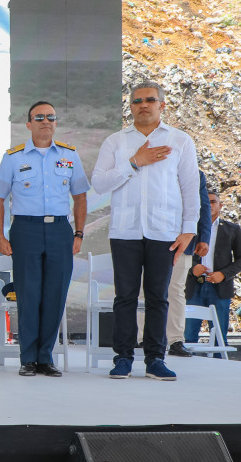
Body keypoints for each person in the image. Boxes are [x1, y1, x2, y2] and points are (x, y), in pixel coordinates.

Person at [90, 81, 199, 381]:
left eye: (149, 100)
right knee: (124, 297)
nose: (143, 105)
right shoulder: (116, 142)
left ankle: (155, 359)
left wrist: (189, 230)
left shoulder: (180, 140)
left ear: (162, 104)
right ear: (130, 107)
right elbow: (99, 183)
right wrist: (135, 162)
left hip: (164, 231)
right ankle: (123, 357)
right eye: (137, 101)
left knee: (158, 297)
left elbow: (191, 188)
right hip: (125, 231)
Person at [0, 101, 89, 377]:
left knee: (55, 294)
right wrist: (0, 236)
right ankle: (28, 358)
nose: (46, 121)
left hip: (60, 230)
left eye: (51, 117)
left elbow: (80, 196)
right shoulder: (13, 157)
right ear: (29, 124)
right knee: (28, 294)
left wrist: (79, 233)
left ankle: (46, 357)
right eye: (40, 117)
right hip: (26, 230)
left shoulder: (69, 155)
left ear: (55, 123)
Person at [184, 190, 240, 357]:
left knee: (219, 337)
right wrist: (192, 267)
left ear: (220, 205)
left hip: (220, 288)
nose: (209, 205)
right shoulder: (190, 229)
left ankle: (219, 368)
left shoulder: (233, 229)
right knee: (188, 336)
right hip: (193, 287)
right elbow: (178, 254)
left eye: (213, 202)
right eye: (205, 202)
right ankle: (188, 368)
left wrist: (224, 274)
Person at [167, 170, 212, 357]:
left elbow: (204, 207)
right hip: (149, 239)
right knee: (145, 289)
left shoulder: (195, 173)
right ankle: (141, 339)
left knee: (176, 290)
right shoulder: (152, 165)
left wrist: (204, 238)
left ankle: (175, 340)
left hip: (183, 241)